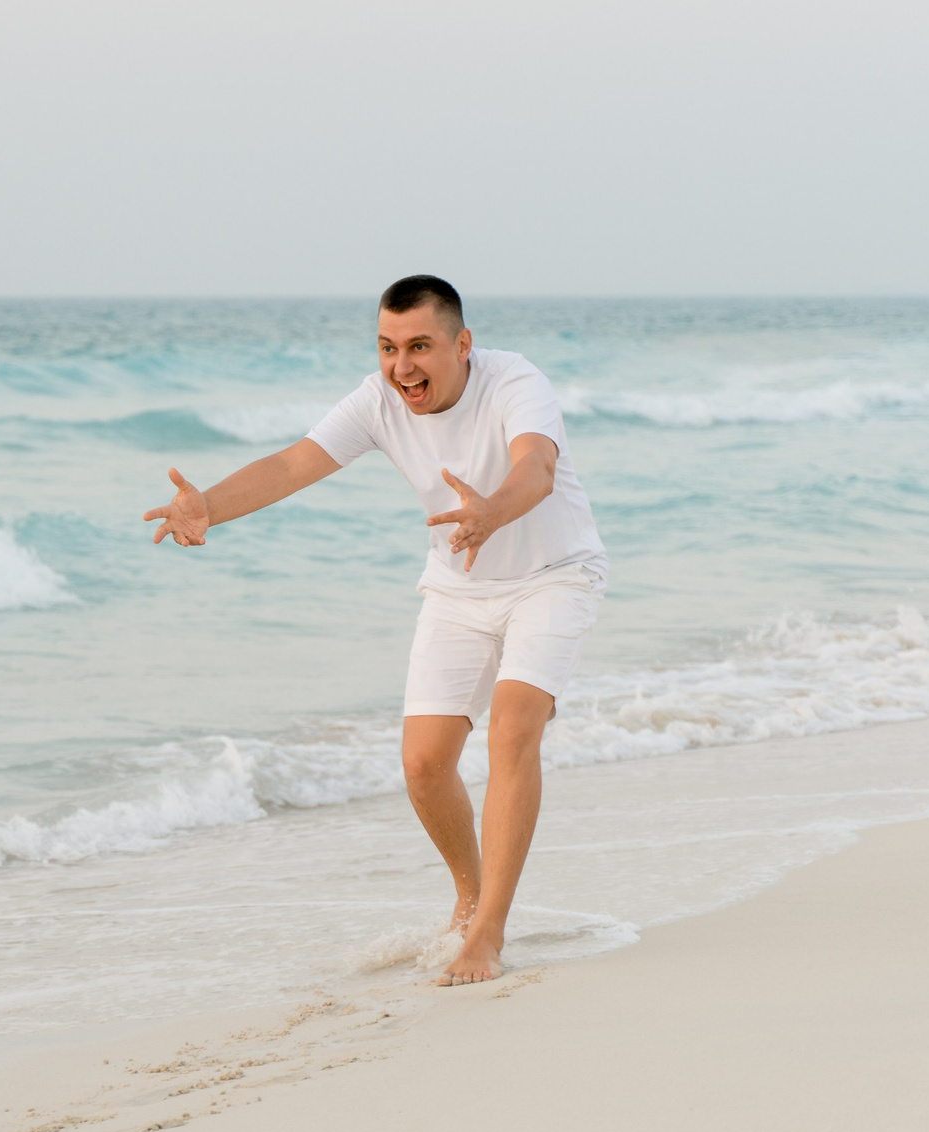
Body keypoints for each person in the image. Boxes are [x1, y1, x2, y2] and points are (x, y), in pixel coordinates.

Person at [144, 276, 606, 984]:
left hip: (553, 575)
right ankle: (469, 893)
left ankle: (487, 934)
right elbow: (294, 463)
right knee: (423, 765)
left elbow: (537, 467)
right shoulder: (378, 401)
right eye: (389, 348)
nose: (402, 367)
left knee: (513, 727)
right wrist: (210, 503)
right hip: (458, 586)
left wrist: (491, 511)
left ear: (462, 344)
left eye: (420, 346)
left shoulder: (516, 381)